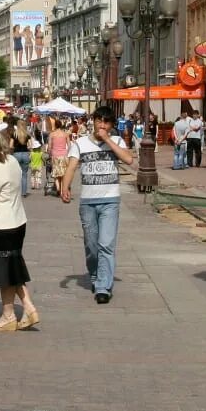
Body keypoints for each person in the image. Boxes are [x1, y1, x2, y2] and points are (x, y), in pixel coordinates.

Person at [60, 105, 133, 305]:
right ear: (93, 121)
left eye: (106, 122)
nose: (102, 125)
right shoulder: (80, 143)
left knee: (106, 244)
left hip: (110, 200)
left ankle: (103, 287)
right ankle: (94, 275)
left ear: (111, 125)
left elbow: (128, 159)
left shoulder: (116, 140)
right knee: (91, 245)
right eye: (99, 121)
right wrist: (65, 187)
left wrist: (108, 139)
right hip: (88, 202)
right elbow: (72, 166)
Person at [0, 127, 39, 332]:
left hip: (1, 224)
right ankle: (29, 308)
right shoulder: (12, 161)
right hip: (18, 220)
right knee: (14, 266)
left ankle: (8, 315)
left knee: (4, 272)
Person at [47, 117, 70, 197]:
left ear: (55, 126)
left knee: (56, 173)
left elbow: (49, 146)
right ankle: (62, 191)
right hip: (64, 155)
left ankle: (58, 188)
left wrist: (49, 153)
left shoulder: (52, 134)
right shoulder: (65, 134)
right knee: (63, 174)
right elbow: (69, 146)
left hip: (55, 155)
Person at [10, 119, 32, 197]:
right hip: (25, 154)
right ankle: (24, 192)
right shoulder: (27, 134)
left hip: (16, 154)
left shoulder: (14, 134)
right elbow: (30, 146)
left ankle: (17, 192)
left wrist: (13, 148)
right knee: (24, 174)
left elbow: (10, 146)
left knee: (16, 174)